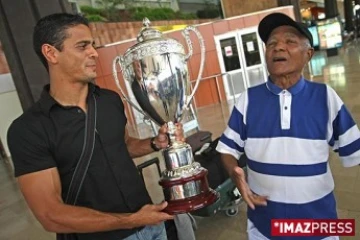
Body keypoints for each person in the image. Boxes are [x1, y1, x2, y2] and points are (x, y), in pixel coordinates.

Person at [7, 13, 186, 240]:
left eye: (93, 45)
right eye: (82, 46)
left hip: (152, 225)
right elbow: (50, 214)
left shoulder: (109, 101)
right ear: (51, 53)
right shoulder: (28, 130)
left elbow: (122, 145)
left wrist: (154, 143)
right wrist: (131, 220)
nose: (94, 53)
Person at [216, 12, 360, 240]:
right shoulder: (249, 99)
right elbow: (226, 149)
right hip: (264, 228)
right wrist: (236, 176)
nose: (278, 47)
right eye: (271, 43)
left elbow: (354, 151)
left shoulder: (326, 97)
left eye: (290, 42)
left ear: (308, 54)